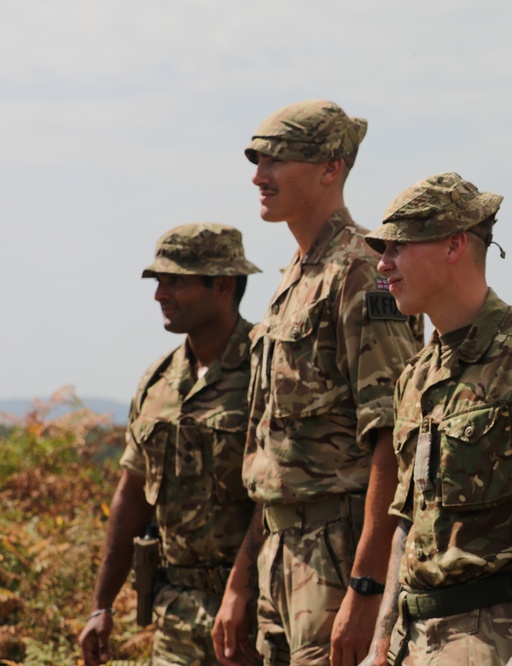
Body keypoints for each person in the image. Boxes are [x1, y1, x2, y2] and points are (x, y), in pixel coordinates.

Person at [213, 100, 423, 666]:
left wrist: (366, 584)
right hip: (279, 549)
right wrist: (240, 581)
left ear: (332, 167)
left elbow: (395, 435)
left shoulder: (363, 270)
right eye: (257, 160)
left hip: (338, 548)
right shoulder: (296, 274)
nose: (259, 175)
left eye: (277, 160)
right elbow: (276, 450)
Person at [359, 172, 512, 666]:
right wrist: (380, 647)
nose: (383, 263)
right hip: (412, 640)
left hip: (493, 634)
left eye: (398, 247)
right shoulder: (413, 377)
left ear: (454, 244)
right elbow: (406, 523)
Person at [79, 223, 262, 665]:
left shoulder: (269, 366)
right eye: (159, 281)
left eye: (175, 280)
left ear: (222, 285)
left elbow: (276, 496)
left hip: (255, 615)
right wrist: (101, 606)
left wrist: (240, 591)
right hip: (175, 614)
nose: (161, 294)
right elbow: (131, 494)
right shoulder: (157, 380)